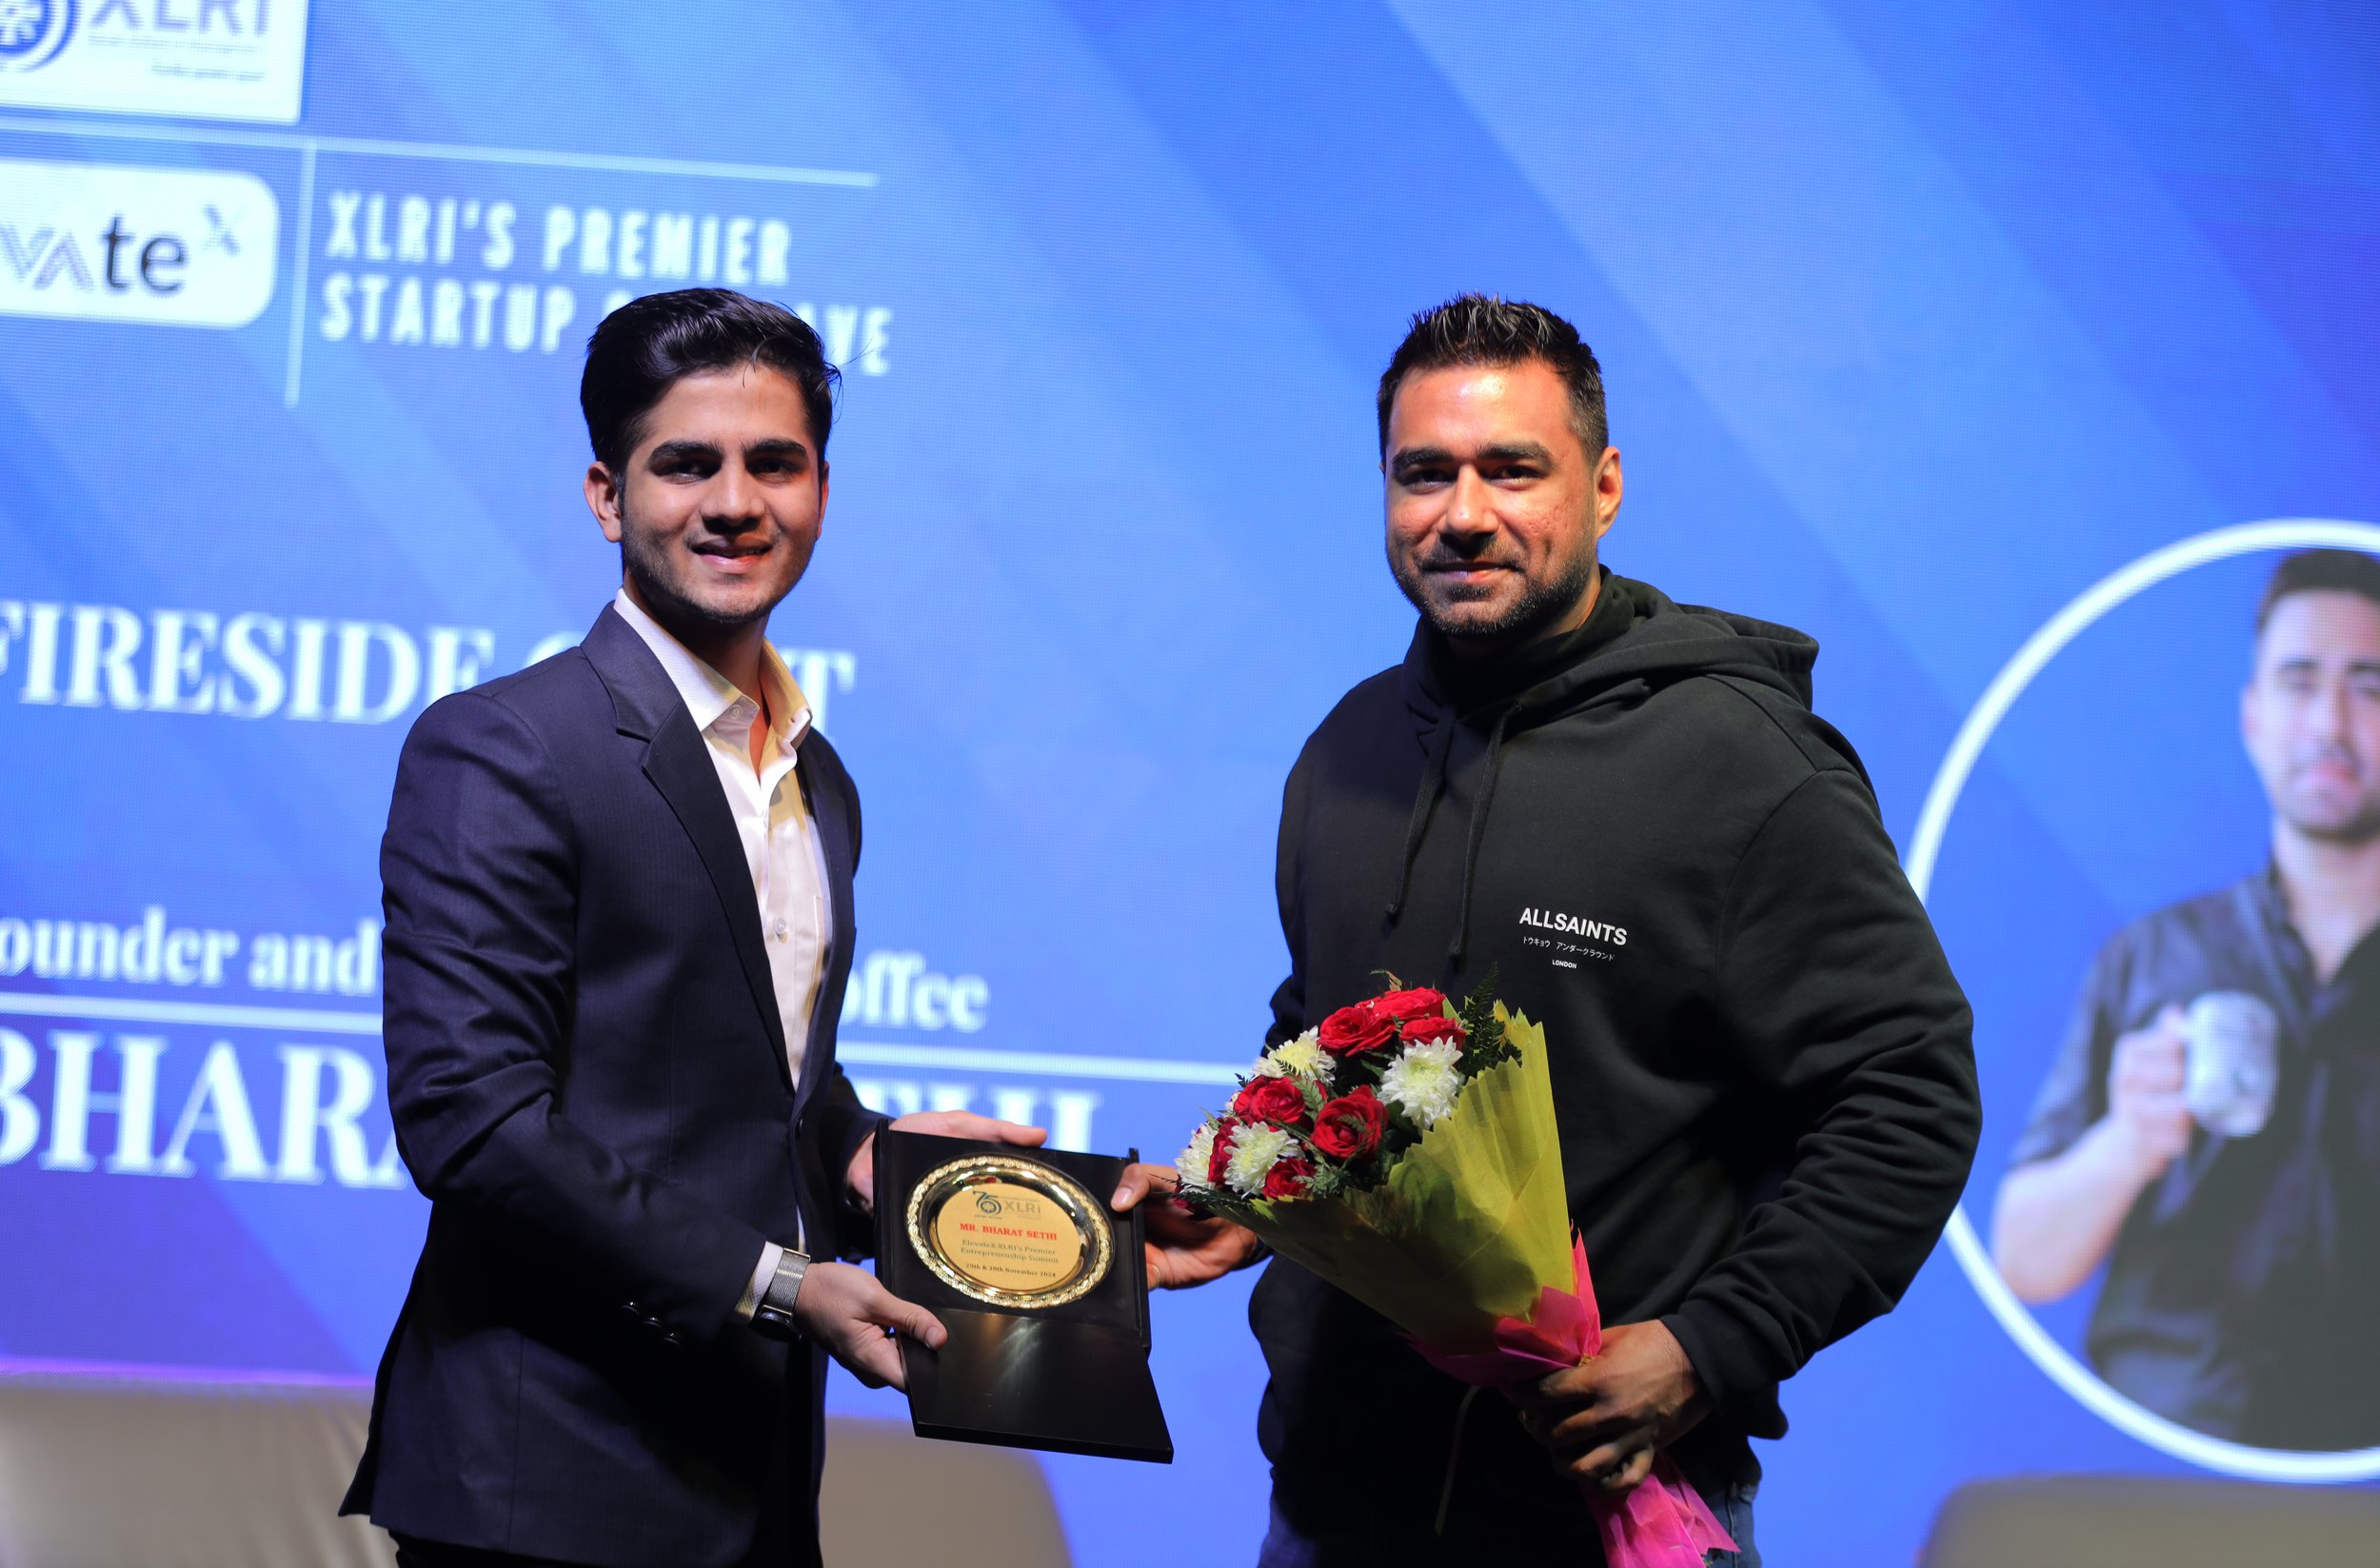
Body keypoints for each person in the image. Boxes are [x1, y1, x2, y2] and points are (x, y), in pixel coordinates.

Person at [1114, 295, 1980, 1564]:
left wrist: (1709, 1344)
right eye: (1425, 472)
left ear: (1605, 484)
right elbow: (1327, 1036)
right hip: (1330, 1503)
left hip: (1614, 1508)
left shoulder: (1741, 764)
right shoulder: (1346, 750)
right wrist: (1254, 1192)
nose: (1465, 513)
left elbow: (1908, 1093)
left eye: (1513, 467)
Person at [341, 288, 1042, 1568]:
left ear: (822, 489)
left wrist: (870, 1157)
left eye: (774, 462)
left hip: (752, 1468)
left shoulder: (818, 777)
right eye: (687, 464)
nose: (734, 500)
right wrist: (781, 1279)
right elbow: (474, 1120)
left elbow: (749, 1081)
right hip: (542, 1476)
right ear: (609, 494)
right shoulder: (504, 747)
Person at [1991, 549, 2380, 1451]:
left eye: (2370, 684)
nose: (2330, 720)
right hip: (2163, 1460)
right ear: (2253, 717)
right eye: (2299, 680)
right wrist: (2129, 1141)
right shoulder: (2153, 959)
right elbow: (2027, 1256)